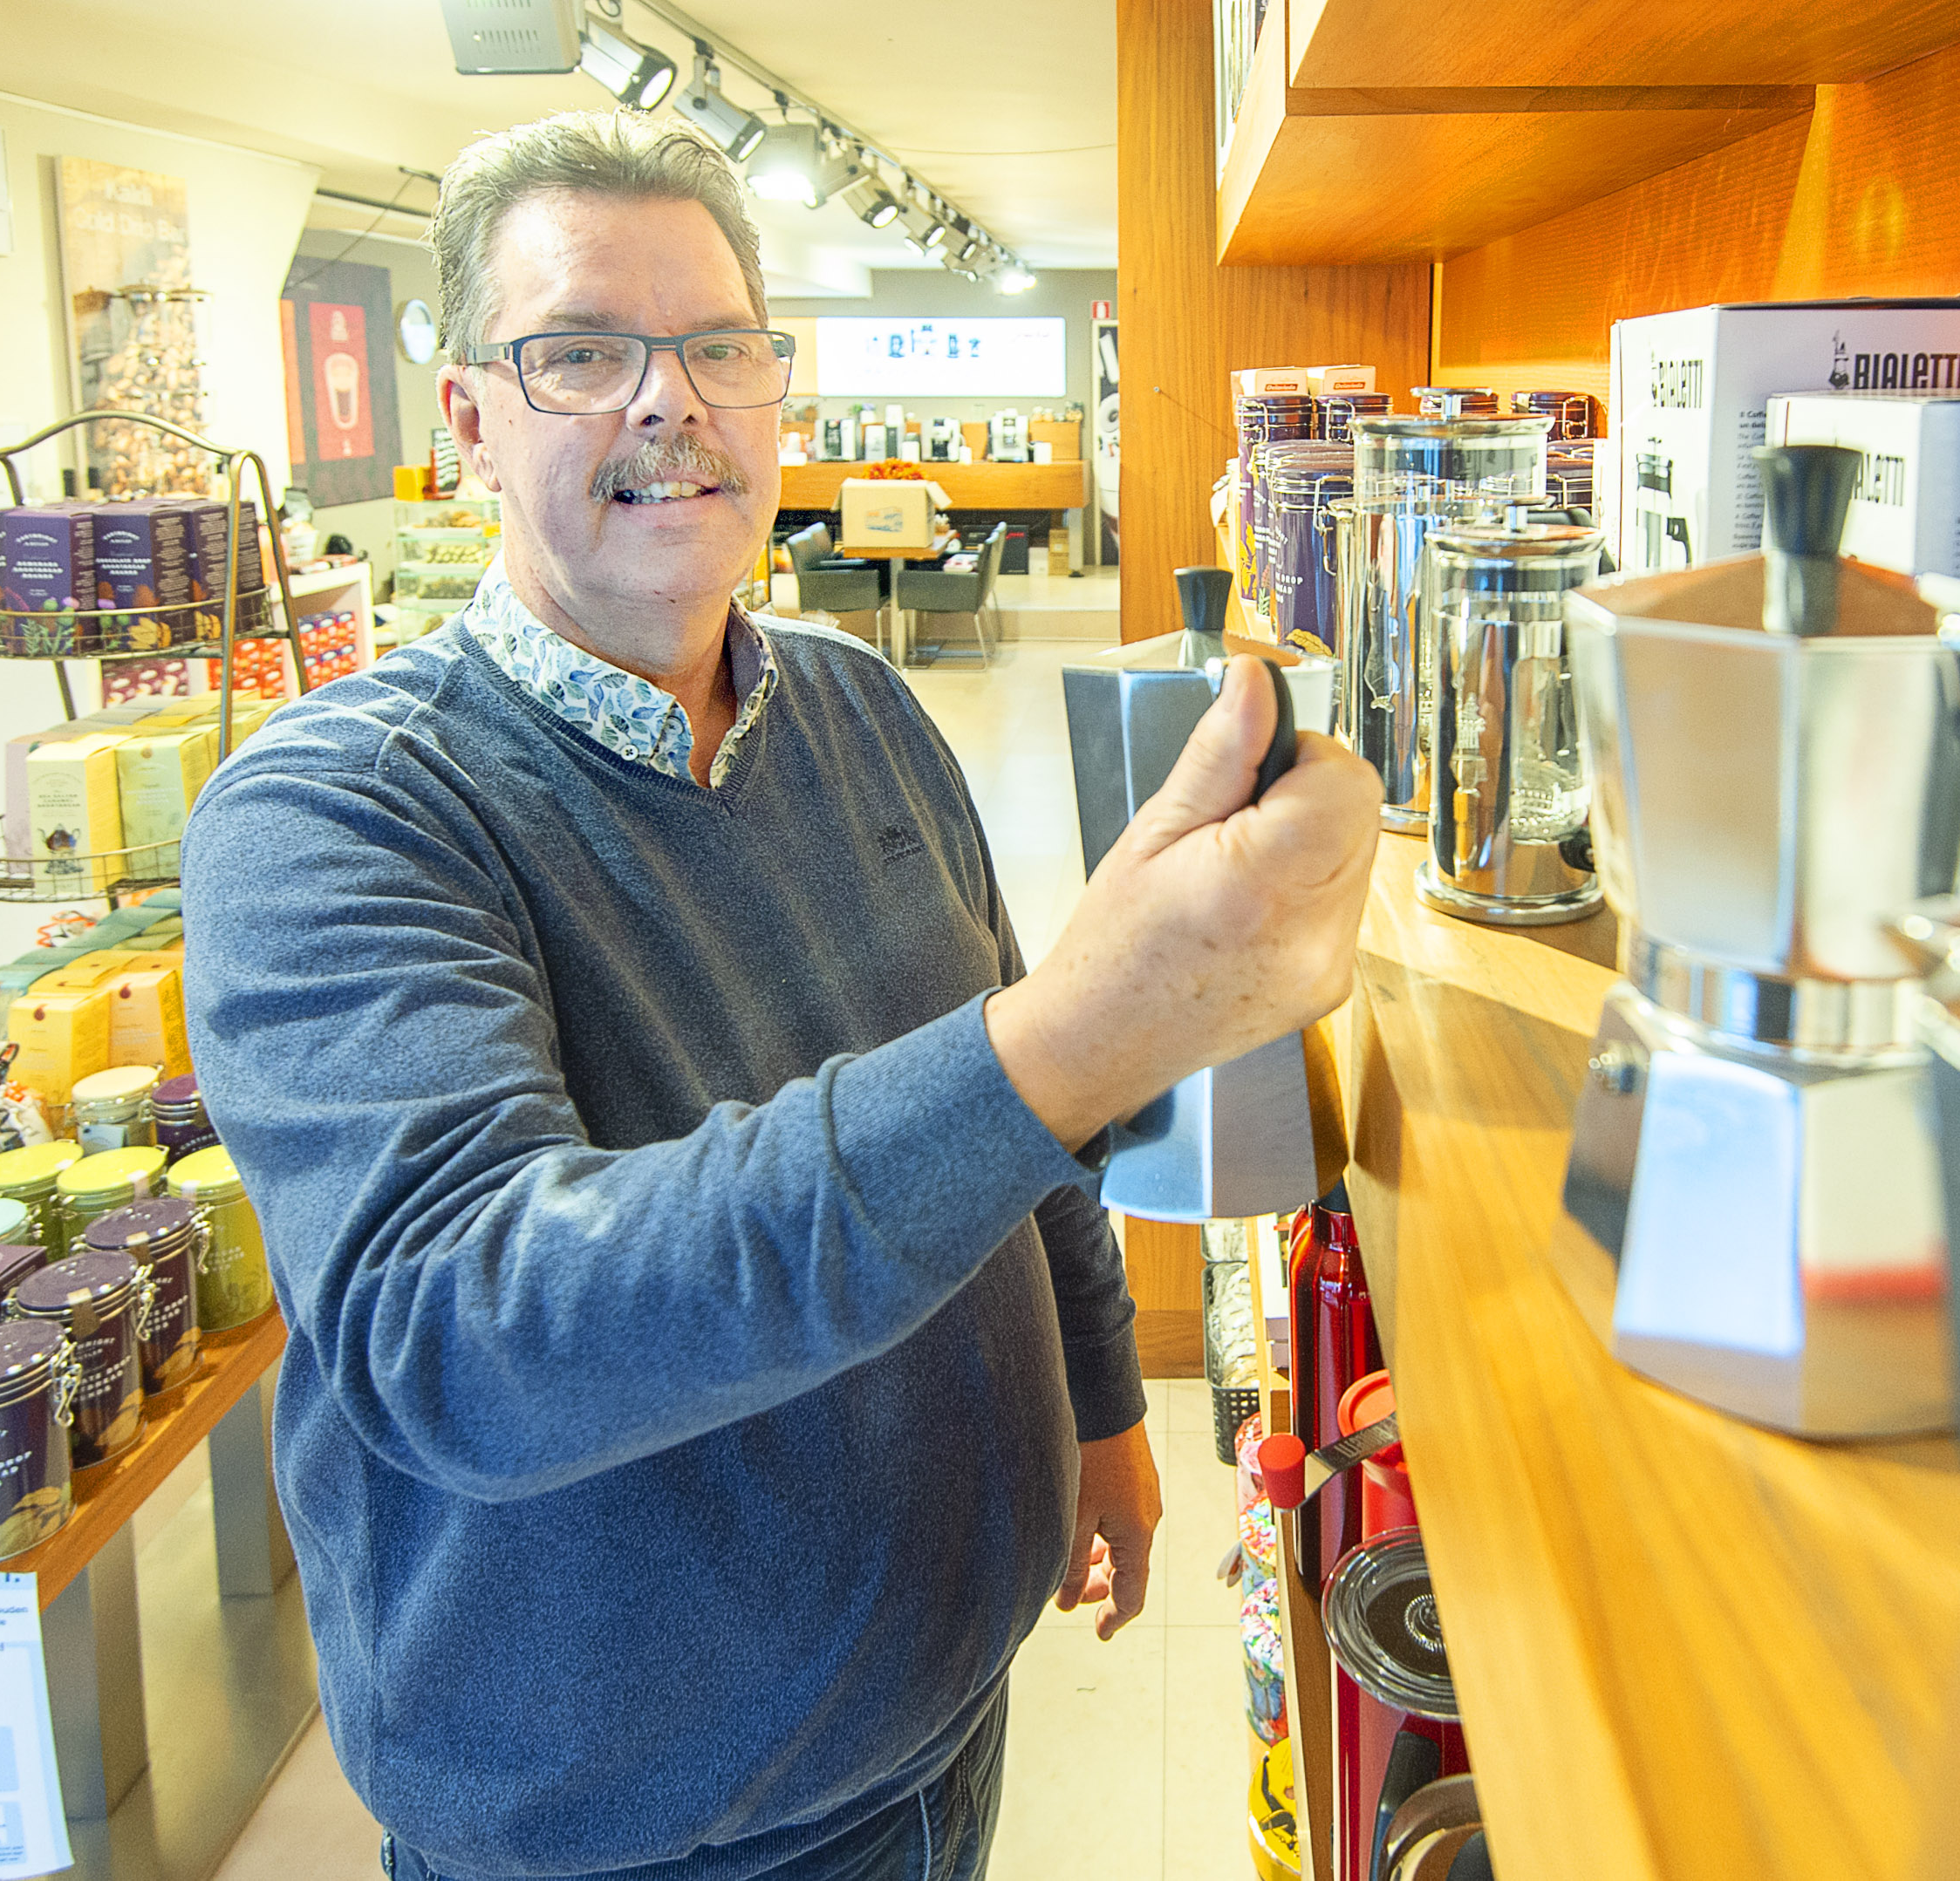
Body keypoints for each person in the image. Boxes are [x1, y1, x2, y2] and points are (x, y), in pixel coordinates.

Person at [181, 112, 1377, 1881]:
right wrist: (1079, 1034)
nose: (668, 401)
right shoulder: (334, 809)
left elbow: (1011, 1145)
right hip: (640, 1825)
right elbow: (469, 1332)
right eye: (581, 351)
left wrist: (1104, 1413)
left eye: (718, 345)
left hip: (948, 1709)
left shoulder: (857, 705)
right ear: (466, 422)